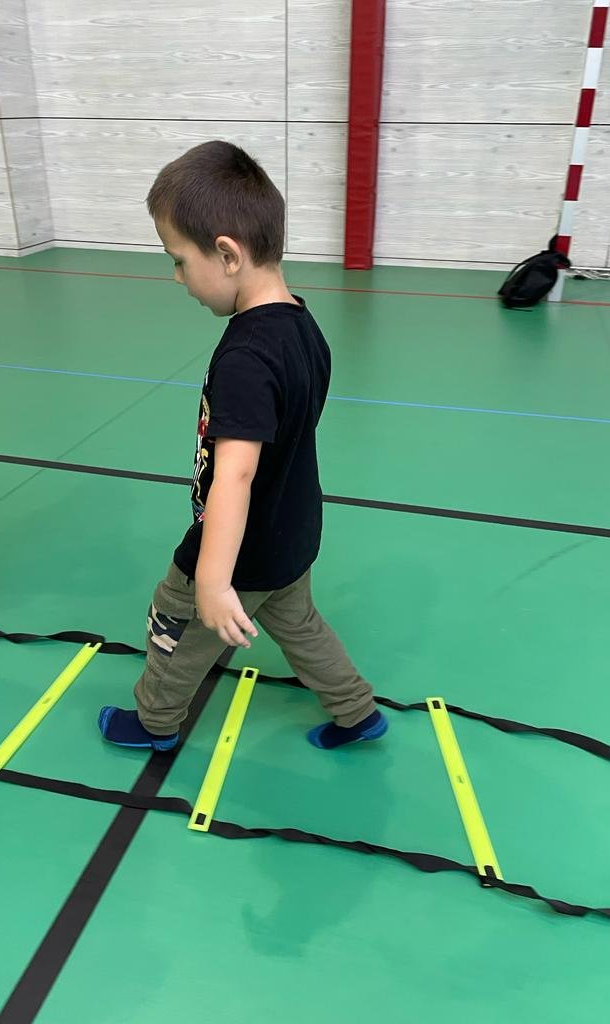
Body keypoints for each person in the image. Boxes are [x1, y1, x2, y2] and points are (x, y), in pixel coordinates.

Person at [98, 141, 387, 753]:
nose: (178, 278)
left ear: (227, 254)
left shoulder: (246, 358)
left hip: (244, 546)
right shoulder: (303, 324)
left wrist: (211, 578)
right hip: (292, 533)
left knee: (175, 623)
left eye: (180, 261)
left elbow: (235, 474)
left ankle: (153, 722)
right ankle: (357, 710)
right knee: (300, 625)